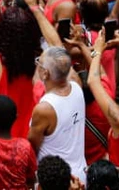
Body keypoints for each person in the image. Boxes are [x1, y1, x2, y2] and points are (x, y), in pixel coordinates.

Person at [27, 47, 86, 183]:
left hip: (56, 181)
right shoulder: (77, 86)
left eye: (39, 63)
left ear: (45, 74)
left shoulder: (45, 109)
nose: (37, 66)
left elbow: (32, 146)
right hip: (80, 175)